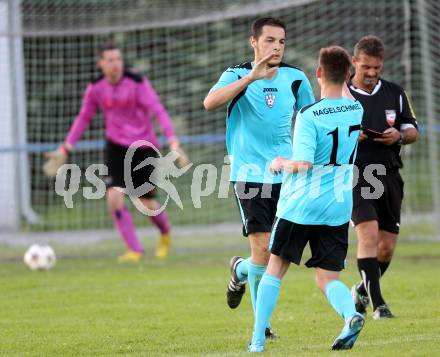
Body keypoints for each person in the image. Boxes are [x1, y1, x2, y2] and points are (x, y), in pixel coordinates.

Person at [248, 46, 365, 353]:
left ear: (318, 73)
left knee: (275, 269)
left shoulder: (309, 115)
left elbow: (302, 164)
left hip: (302, 203)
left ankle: (257, 341)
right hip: (338, 206)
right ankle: (351, 313)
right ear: (349, 75)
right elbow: (348, 94)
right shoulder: (356, 109)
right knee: (327, 278)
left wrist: (279, 163)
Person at [203, 17, 315, 338]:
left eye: (281, 41)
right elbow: (210, 102)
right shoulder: (237, 74)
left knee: (275, 255)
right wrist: (251, 77)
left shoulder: (295, 78)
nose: (276, 47)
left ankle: (239, 270)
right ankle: (261, 327)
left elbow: (311, 121)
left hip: (286, 176)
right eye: (269, 40)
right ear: (254, 42)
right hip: (248, 175)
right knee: (264, 251)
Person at [43, 44, 188, 262]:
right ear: (100, 64)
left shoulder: (137, 83)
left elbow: (158, 110)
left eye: (118, 59)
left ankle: (165, 232)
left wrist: (173, 141)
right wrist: (66, 147)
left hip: (143, 147)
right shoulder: (96, 88)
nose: (115, 64)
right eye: (110, 60)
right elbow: (84, 117)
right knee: (114, 196)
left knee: (146, 204)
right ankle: (134, 249)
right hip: (116, 147)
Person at [347, 35, 419, 319]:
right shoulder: (340, 95)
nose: (372, 73)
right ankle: (379, 305)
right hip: (356, 175)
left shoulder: (395, 92)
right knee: (368, 233)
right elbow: (324, 136)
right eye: (366, 67)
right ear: (354, 63)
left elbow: (413, 130)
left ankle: (362, 290)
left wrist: (399, 136)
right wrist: (353, 136)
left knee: (386, 248)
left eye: (377, 67)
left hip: (388, 175)